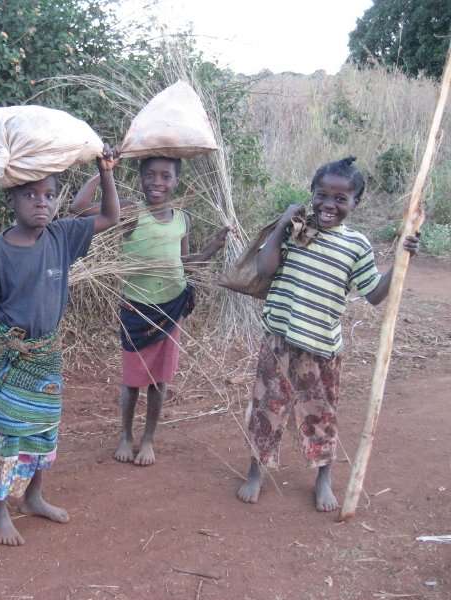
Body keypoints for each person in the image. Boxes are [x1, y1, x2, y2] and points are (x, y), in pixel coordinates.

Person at [0, 145, 120, 546]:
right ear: (9, 200)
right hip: (11, 358)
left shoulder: (61, 235)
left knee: (44, 427)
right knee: (4, 432)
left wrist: (105, 170)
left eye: (49, 195)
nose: (41, 203)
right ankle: (0, 508)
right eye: (30, 195)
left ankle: (35, 496)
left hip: (48, 355)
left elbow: (110, 216)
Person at [237, 156, 420, 511]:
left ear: (355, 203)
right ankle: (255, 471)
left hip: (321, 348)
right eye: (323, 195)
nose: (329, 205)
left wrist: (400, 260)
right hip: (279, 341)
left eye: (341, 199)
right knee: (266, 410)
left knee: (320, 415)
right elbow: (264, 268)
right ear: (311, 194)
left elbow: (374, 294)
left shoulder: (356, 246)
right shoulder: (295, 231)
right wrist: (281, 226)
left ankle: (324, 478)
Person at [71, 156, 232, 466]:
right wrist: (105, 171)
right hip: (137, 310)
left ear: (177, 182)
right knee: (132, 380)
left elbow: (184, 265)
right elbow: (79, 207)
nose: (157, 182)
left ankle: (148, 439)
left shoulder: (182, 219)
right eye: (150, 175)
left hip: (172, 308)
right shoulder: (130, 211)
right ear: (141, 179)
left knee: (160, 381)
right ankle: (126, 435)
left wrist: (214, 245)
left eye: (165, 176)